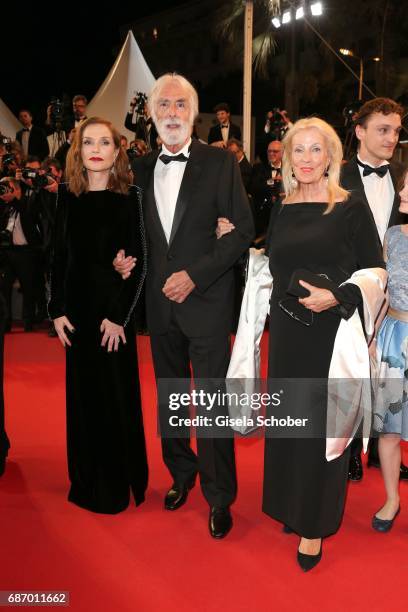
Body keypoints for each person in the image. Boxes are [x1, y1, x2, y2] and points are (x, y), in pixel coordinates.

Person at [220, 117, 385, 570]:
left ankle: (314, 523)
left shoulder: (349, 207)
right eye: (299, 150)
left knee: (322, 429)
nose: (307, 159)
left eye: (317, 150)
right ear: (287, 157)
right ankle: (291, 506)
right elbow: (274, 261)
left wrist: (338, 296)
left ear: (331, 156)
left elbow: (375, 270)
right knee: (292, 422)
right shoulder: (284, 205)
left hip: (333, 335)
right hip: (289, 332)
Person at [114, 73, 254, 538]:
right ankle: (181, 474)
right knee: (172, 397)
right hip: (159, 305)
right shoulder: (136, 169)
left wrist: (195, 275)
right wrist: (123, 260)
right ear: (152, 114)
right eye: (163, 105)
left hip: (207, 302)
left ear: (192, 113)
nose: (171, 112)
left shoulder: (219, 162)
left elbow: (241, 231)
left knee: (212, 404)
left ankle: (219, 496)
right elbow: (134, 234)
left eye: (180, 105)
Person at [48, 117, 148, 514]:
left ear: (116, 150)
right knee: (83, 400)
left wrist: (119, 317)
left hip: (112, 317)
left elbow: (139, 262)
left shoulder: (130, 196)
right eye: (88, 142)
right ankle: (85, 480)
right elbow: (56, 257)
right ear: (78, 150)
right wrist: (56, 311)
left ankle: (116, 483)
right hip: (76, 315)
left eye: (104, 142)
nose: (95, 149)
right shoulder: (67, 197)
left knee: (114, 399)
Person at [341, 97, 408, 482]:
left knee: (392, 370)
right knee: (353, 368)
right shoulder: (339, 177)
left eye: (396, 131)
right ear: (360, 131)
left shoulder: (403, 174)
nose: (391, 138)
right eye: (383, 129)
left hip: (398, 295)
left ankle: (387, 448)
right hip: (355, 287)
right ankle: (351, 446)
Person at [372, 168, 408, 532]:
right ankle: (392, 499)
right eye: (404, 182)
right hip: (394, 338)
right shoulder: (393, 235)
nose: (403, 188)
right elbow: (383, 291)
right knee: (389, 428)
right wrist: (372, 336)